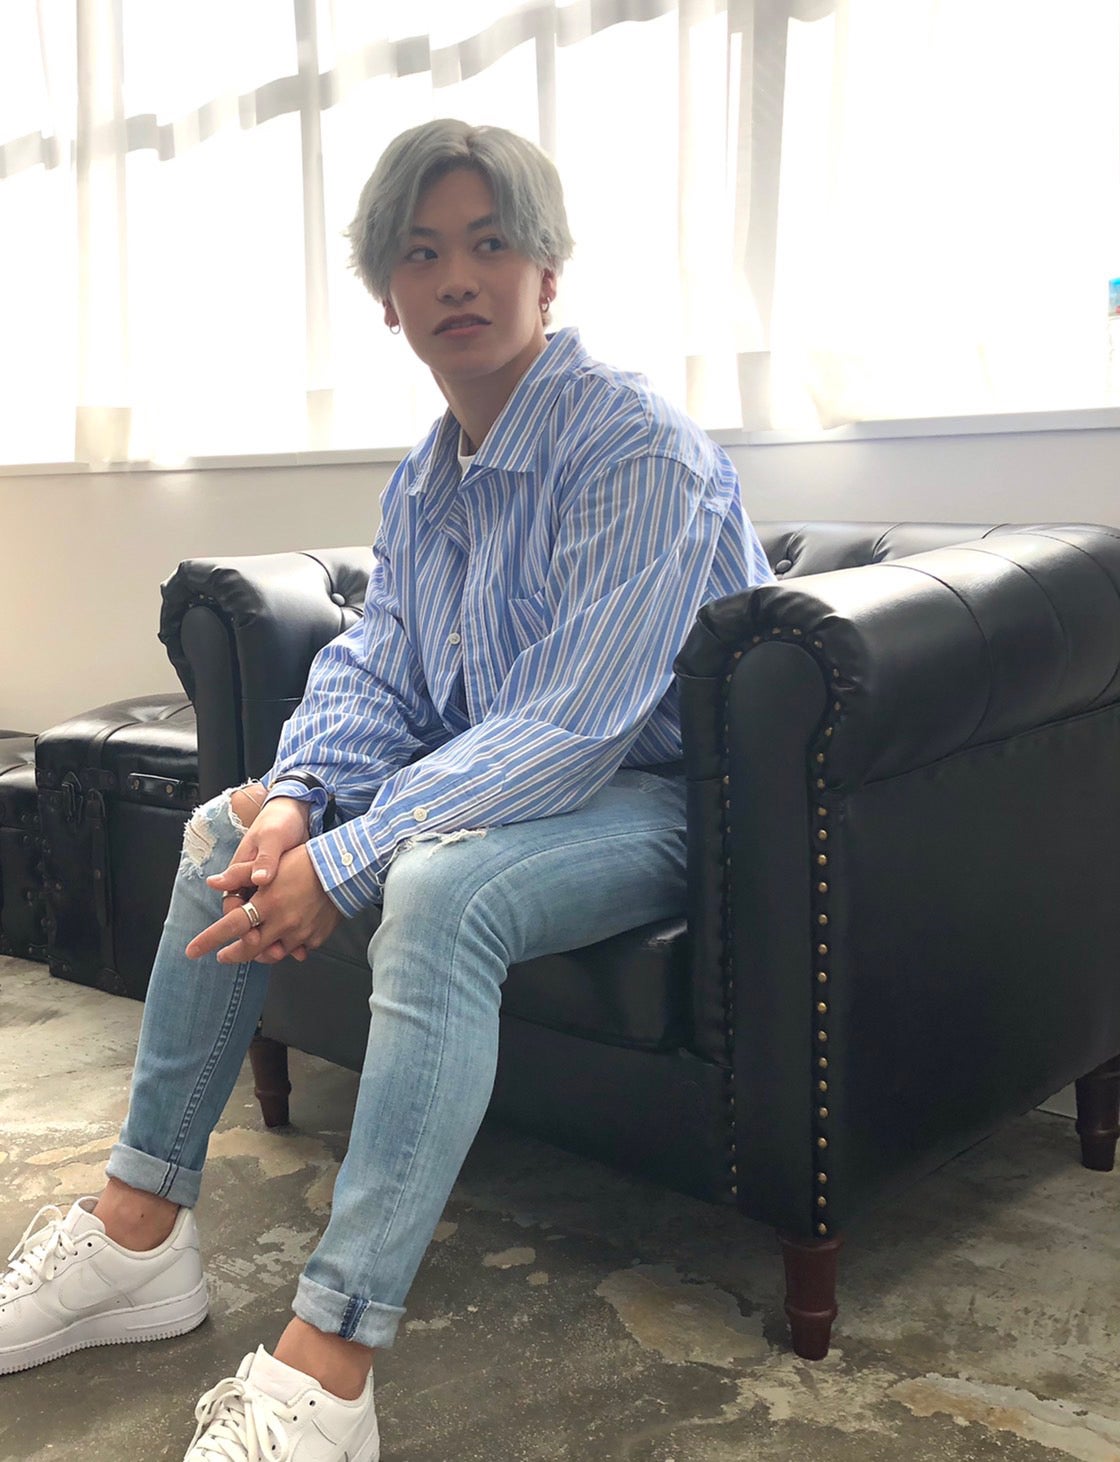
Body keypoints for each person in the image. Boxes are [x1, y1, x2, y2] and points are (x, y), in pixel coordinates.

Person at [0, 119, 773, 1459]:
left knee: (440, 890)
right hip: (512, 780)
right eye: (421, 254)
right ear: (387, 297)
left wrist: (352, 858)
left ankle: (332, 1363)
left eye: (490, 244)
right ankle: (140, 1232)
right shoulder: (431, 472)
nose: (456, 277)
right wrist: (297, 799)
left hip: (662, 800)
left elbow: (577, 725)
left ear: (548, 274)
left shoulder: (635, 447)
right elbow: (378, 665)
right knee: (224, 826)